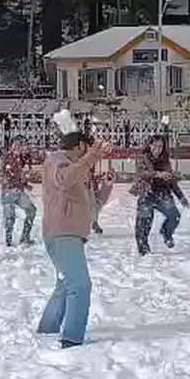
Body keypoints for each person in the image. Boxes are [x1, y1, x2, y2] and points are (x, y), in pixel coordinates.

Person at [37, 109, 114, 348]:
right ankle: (71, 337)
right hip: (62, 233)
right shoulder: (57, 159)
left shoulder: (79, 173)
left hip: (71, 234)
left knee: (65, 284)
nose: (91, 154)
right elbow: (62, 179)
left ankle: (47, 330)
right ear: (79, 146)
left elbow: (94, 208)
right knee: (80, 285)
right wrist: (91, 157)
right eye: (87, 147)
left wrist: (107, 187)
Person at [131, 134, 190, 255]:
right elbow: (142, 173)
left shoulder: (165, 160)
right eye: (155, 146)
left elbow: (171, 181)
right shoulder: (143, 158)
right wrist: (158, 174)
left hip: (162, 193)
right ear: (149, 145)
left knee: (174, 216)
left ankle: (166, 233)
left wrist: (181, 197)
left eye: (160, 146)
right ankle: (143, 250)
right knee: (143, 223)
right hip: (146, 193)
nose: (157, 149)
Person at [0, 135, 38, 246]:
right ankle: (8, 241)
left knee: (31, 210)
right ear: (11, 146)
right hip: (9, 191)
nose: (18, 147)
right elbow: (8, 174)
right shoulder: (7, 157)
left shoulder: (22, 158)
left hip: (18, 190)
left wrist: (25, 184)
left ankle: (25, 237)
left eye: (20, 145)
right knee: (10, 217)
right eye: (16, 144)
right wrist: (21, 182)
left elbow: (20, 174)